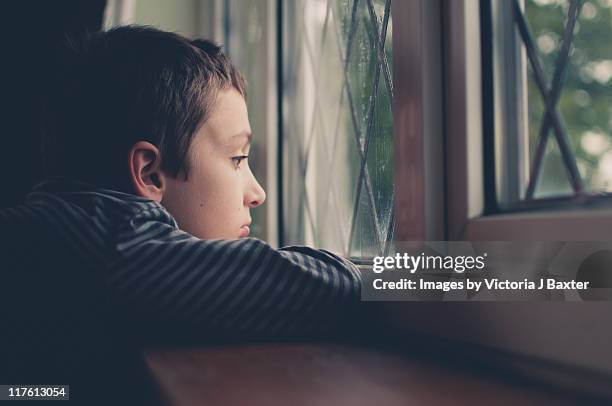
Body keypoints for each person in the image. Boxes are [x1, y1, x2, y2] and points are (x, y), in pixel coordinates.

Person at [0, 25, 361, 404]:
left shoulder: (62, 227)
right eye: (238, 158)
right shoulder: (115, 242)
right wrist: (417, 276)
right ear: (150, 173)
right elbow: (328, 287)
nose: (258, 194)